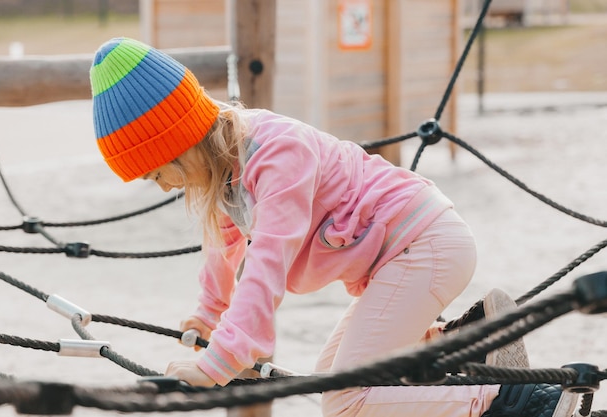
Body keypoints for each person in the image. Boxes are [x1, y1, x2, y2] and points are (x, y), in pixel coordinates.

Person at [89, 37, 571, 417]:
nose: (160, 186)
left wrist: (217, 363)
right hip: (405, 253)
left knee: (346, 401)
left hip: (423, 245)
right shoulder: (226, 170)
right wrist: (209, 315)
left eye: (155, 172)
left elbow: (267, 265)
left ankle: (524, 404)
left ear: (179, 143)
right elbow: (225, 249)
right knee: (329, 373)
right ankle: (456, 344)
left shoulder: (276, 154)